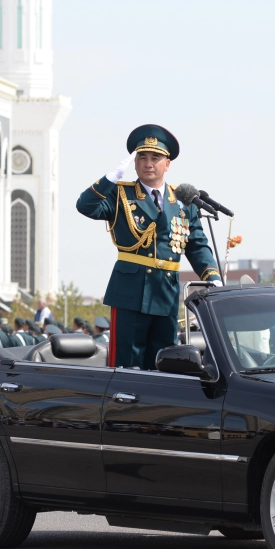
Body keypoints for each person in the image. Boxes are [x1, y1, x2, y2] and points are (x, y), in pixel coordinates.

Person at [76, 124, 223, 369]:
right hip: (130, 292)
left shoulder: (184, 202)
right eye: (142, 157)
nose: (148, 163)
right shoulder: (121, 194)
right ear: (134, 163)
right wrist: (110, 179)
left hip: (165, 292)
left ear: (168, 163)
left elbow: (197, 245)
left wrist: (213, 277)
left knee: (163, 361)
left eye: (156, 158)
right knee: (128, 364)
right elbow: (86, 206)